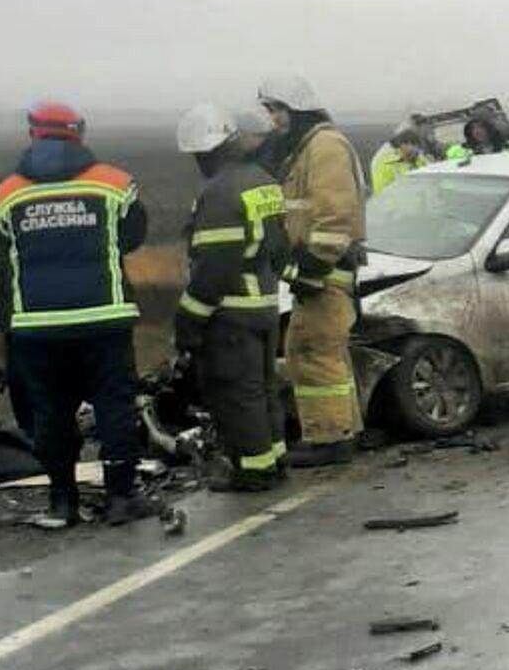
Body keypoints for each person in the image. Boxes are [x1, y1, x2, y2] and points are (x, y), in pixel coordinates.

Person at [0, 101, 150, 527]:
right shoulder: (115, 183)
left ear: (33, 134)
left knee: (51, 413)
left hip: (37, 326)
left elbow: (5, 254)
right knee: (114, 407)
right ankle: (120, 497)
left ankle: (62, 501)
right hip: (104, 317)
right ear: (78, 133)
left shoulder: (8, 192)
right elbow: (133, 235)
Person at [174, 104, 291, 491]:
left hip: (232, 312)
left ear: (205, 152)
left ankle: (253, 472)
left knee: (238, 395)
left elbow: (214, 269)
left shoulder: (220, 192)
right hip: (266, 306)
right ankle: (274, 461)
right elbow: (279, 249)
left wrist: (189, 321)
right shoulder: (262, 180)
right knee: (262, 390)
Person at [256, 75, 365, 468]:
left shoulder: (325, 146)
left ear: (296, 108)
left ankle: (329, 437)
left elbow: (335, 214)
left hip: (326, 270)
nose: (273, 120)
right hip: (320, 269)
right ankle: (344, 430)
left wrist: (313, 266)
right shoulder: (308, 146)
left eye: (276, 110)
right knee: (323, 352)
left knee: (311, 351)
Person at [369, 123, 432, 194]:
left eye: (416, 146)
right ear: (401, 145)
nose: (413, 149)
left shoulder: (420, 159)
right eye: (407, 144)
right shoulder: (386, 163)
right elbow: (384, 187)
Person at [444, 115, 509, 164]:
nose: (477, 131)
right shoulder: (456, 151)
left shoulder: (508, 146)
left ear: (489, 129)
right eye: (472, 128)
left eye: (481, 127)